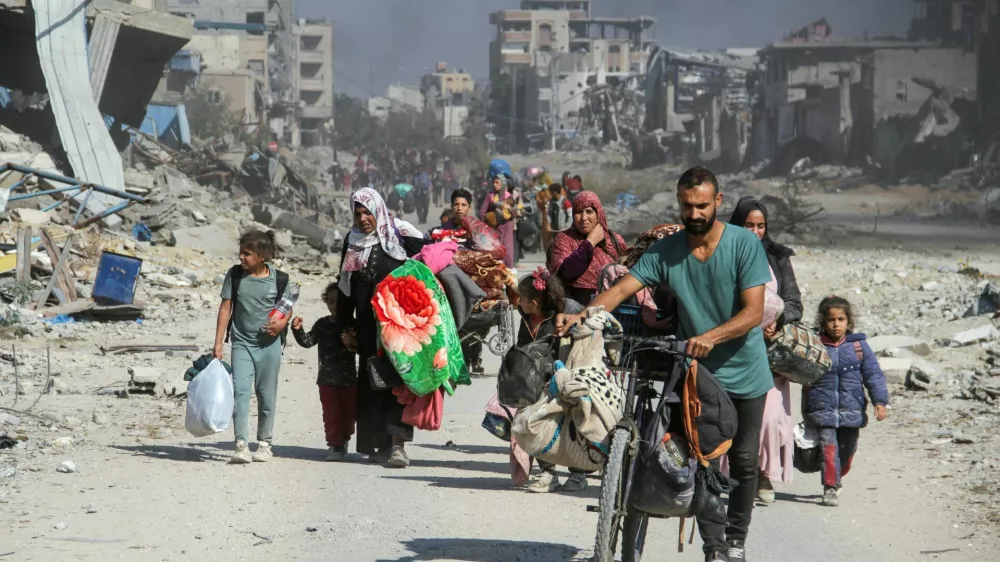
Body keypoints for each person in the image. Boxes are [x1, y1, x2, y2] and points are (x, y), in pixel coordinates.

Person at [556, 167, 773, 562]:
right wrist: (581, 315)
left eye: (702, 205)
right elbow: (622, 289)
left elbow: (753, 312)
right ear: (679, 202)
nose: (694, 213)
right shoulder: (666, 251)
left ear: (718, 202)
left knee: (742, 462)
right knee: (701, 458)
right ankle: (717, 549)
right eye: (687, 205)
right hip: (698, 373)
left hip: (746, 372)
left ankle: (736, 540)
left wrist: (710, 336)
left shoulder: (743, 244)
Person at [337, 187, 427, 467]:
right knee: (370, 381)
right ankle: (374, 443)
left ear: (378, 210)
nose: (364, 218)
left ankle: (398, 444)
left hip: (399, 324)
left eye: (368, 212)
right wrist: (344, 326)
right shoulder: (351, 242)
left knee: (398, 380)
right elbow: (344, 288)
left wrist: (399, 226)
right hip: (366, 324)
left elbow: (425, 251)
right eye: (358, 213)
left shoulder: (397, 235)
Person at [729, 195, 804, 504]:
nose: (755, 232)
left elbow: (795, 303)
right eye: (748, 225)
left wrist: (778, 319)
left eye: (761, 226)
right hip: (732, 347)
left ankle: (763, 474)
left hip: (768, 353)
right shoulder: (724, 253)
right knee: (730, 415)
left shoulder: (778, 257)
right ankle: (729, 475)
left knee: (770, 417)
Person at [213, 230, 291, 465]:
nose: (241, 258)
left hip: (269, 346)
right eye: (241, 252)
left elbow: (287, 307)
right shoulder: (235, 276)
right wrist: (218, 342)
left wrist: (282, 324)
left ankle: (265, 444)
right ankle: (241, 444)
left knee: (266, 394)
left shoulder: (279, 279)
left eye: (247, 254)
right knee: (241, 392)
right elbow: (226, 308)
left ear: (262, 256)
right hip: (242, 344)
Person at [514, 267, 590, 493]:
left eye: (523, 299)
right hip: (537, 380)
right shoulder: (527, 318)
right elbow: (522, 346)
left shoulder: (566, 314)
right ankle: (548, 473)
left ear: (535, 303)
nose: (520, 303)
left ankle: (578, 475)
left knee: (573, 426)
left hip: (565, 378)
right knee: (536, 424)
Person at [809, 295, 890, 507]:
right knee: (829, 448)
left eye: (841, 319)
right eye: (831, 320)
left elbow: (873, 375)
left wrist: (880, 402)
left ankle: (838, 475)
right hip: (822, 408)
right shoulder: (815, 345)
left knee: (847, 450)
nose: (836, 324)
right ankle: (830, 487)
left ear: (848, 321)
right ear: (823, 322)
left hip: (851, 409)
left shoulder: (858, 347)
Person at [291, 282, 358, 462]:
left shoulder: (353, 324)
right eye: (330, 301)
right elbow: (308, 341)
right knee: (331, 413)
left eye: (338, 301)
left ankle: (344, 438)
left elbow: (362, 349)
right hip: (327, 379)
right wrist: (298, 330)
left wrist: (351, 342)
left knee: (350, 414)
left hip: (349, 379)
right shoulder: (322, 324)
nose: (334, 305)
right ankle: (335, 444)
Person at [547, 191, 627, 305]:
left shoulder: (615, 240)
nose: (584, 218)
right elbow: (565, 274)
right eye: (579, 212)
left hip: (614, 305)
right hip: (577, 306)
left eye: (589, 211)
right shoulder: (564, 239)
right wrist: (590, 242)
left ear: (598, 213)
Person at [479, 173, 520, 268]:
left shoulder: (509, 196)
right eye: (494, 182)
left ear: (503, 184)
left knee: (508, 252)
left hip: (507, 228)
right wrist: (485, 224)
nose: (494, 184)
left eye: (497, 182)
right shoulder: (490, 196)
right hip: (494, 228)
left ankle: (509, 274)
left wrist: (509, 210)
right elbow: (482, 211)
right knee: (495, 251)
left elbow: (515, 212)